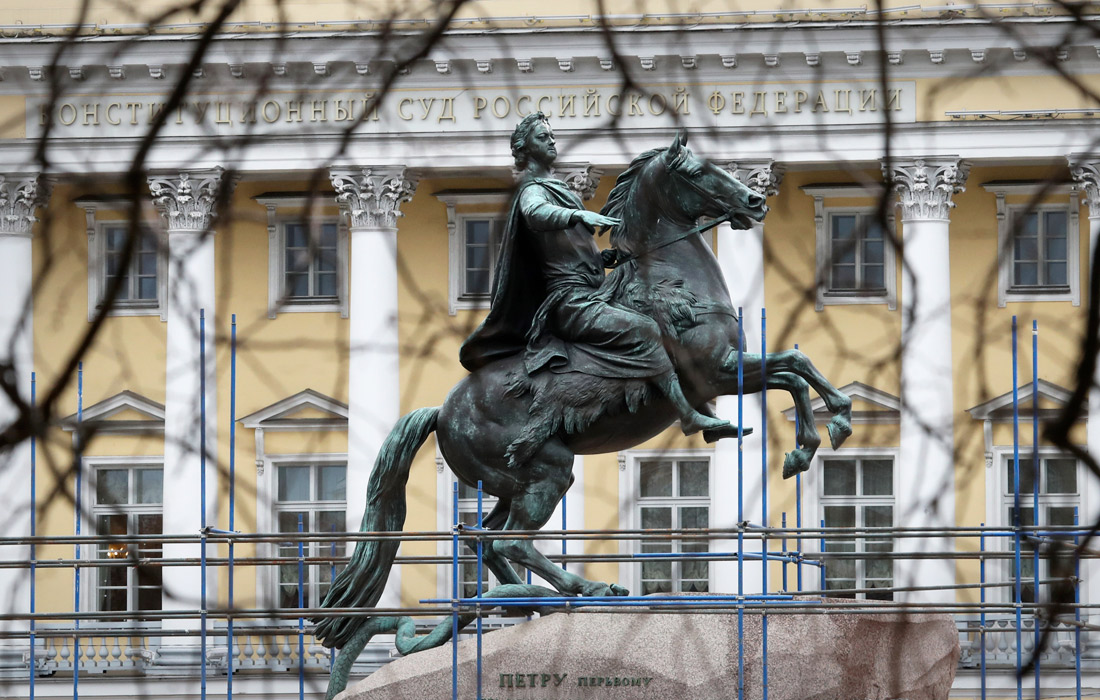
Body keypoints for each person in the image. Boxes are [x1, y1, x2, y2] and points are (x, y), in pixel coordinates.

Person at [459, 112, 734, 439]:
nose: (551, 141)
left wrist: (601, 258)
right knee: (645, 328)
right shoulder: (532, 189)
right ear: (525, 148)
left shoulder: (556, 187)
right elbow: (535, 213)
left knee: (664, 318)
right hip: (570, 304)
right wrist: (576, 214)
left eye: (551, 135)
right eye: (542, 137)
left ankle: (701, 408)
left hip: (593, 292)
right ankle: (688, 416)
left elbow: (568, 252)